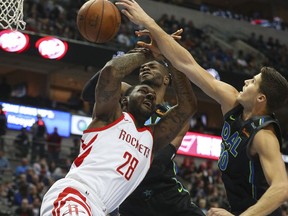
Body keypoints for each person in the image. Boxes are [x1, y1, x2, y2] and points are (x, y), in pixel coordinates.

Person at [115, 1, 288, 215]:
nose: (245, 82)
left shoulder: (264, 135)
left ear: (261, 98)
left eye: (253, 82)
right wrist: (149, 23)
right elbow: (188, 64)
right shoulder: (232, 102)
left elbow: (282, 188)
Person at [40, 47, 196, 216]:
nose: (150, 96)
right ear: (123, 100)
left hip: (101, 209)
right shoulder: (109, 118)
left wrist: (172, 55)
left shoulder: (151, 139)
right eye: (143, 91)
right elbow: (111, 71)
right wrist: (147, 54)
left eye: (152, 96)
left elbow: (188, 106)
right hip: (75, 195)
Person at [81, 49, 204, 216]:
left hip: (164, 193)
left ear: (167, 78)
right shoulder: (127, 94)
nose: (145, 68)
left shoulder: (173, 114)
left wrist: (171, 56)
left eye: (153, 66)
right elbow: (90, 92)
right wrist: (142, 54)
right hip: (130, 197)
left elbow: (158, 159)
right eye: (142, 67)